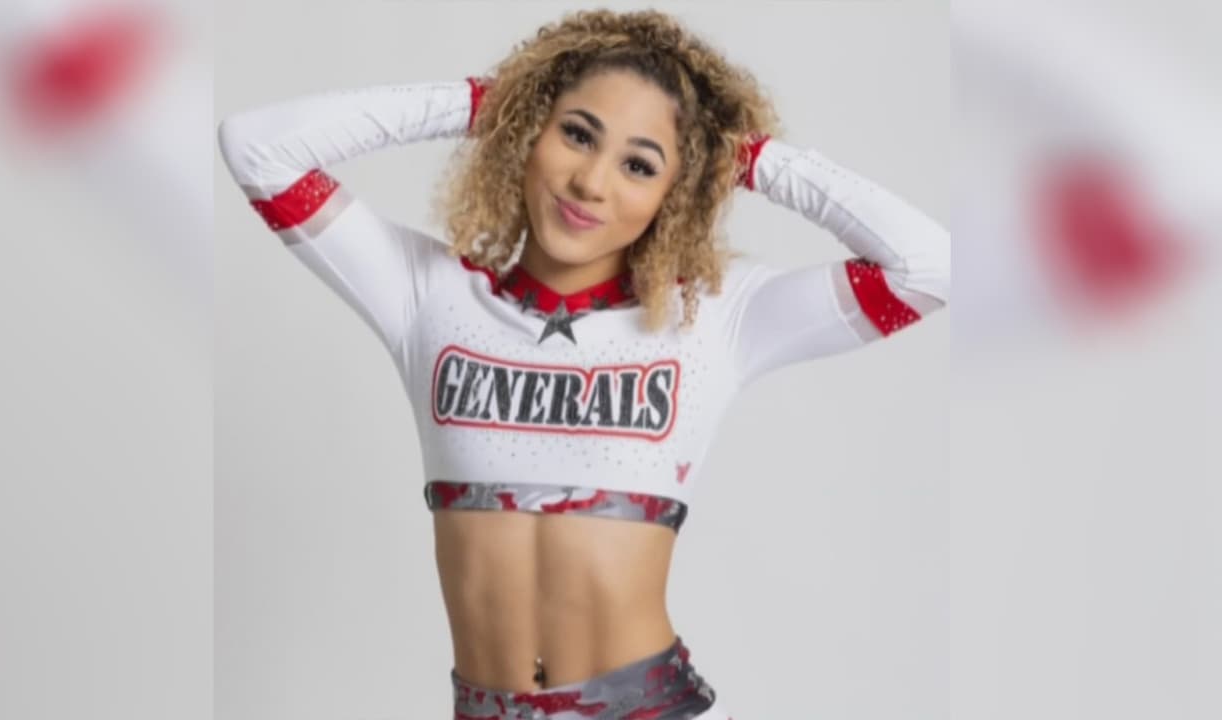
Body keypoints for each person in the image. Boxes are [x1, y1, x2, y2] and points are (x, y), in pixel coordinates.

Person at [217, 8, 948, 719]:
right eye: (575, 133)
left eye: (640, 164)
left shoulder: (715, 320)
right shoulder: (426, 296)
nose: (592, 183)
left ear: (678, 189)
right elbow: (256, 150)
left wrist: (749, 159)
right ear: (529, 131)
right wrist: (489, 102)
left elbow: (930, 268)